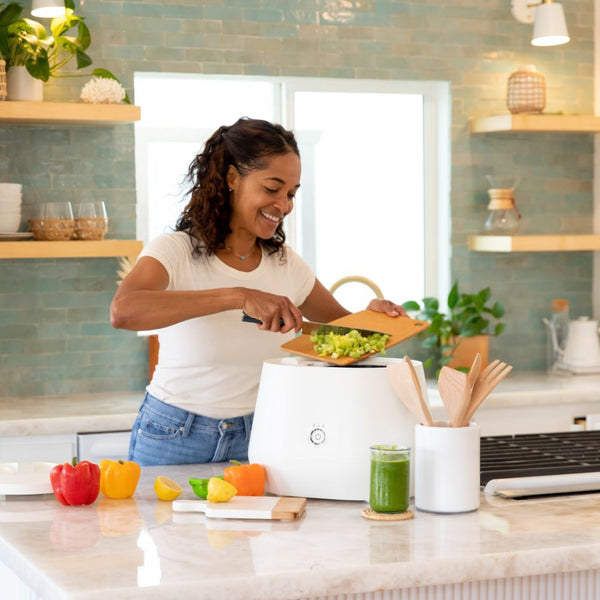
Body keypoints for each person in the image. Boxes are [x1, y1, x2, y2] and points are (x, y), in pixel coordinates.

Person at [110, 117, 407, 466]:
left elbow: (346, 332)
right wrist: (238, 295)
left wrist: (374, 317)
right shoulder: (175, 250)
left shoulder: (285, 264)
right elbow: (124, 311)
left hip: (259, 436)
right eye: (272, 189)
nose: (284, 205)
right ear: (233, 178)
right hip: (174, 434)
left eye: (291, 194)